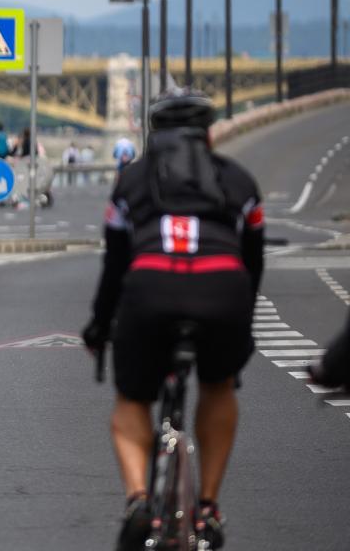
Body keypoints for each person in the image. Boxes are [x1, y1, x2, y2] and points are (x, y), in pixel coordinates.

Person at [81, 90, 264, 551]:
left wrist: (99, 327)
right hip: (225, 294)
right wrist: (240, 317)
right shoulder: (238, 181)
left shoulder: (132, 182)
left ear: (153, 134)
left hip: (149, 293)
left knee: (131, 398)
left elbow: (115, 267)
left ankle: (139, 501)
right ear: (208, 135)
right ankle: (207, 509)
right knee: (218, 386)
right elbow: (253, 263)